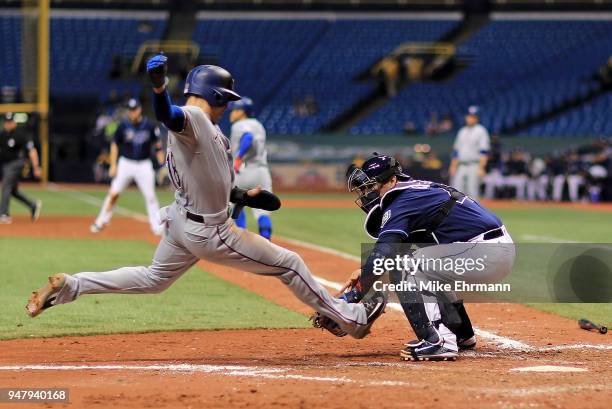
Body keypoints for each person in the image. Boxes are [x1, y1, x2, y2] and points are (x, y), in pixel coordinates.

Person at [26, 55, 386, 341]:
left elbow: (211, 177)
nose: (227, 106)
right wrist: (158, 88)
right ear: (214, 95)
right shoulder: (195, 119)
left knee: (153, 279)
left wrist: (243, 194)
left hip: (183, 222)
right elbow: (169, 115)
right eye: (225, 99)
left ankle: (73, 285)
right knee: (290, 264)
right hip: (210, 231)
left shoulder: (208, 132)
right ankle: (353, 319)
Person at [335, 154, 514, 361]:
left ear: (392, 180)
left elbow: (385, 251)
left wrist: (355, 295)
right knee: (419, 266)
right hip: (489, 249)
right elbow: (395, 251)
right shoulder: (414, 190)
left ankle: (438, 341)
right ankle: (461, 334)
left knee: (408, 266)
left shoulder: (402, 201)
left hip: (486, 252)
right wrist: (365, 272)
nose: (367, 194)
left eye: (372, 186)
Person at [90, 98, 165, 235]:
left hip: (144, 164)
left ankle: (156, 226)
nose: (132, 113)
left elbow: (158, 146)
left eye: (134, 109)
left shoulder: (149, 125)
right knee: (114, 193)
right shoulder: (123, 125)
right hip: (126, 163)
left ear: (140, 109)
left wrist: (162, 164)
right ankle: (101, 221)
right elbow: (114, 144)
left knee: (150, 196)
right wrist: (113, 165)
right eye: (130, 110)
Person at [228, 97, 274, 239]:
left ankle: (244, 239)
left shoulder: (239, 125)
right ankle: (266, 240)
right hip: (261, 171)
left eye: (235, 110)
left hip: (242, 170)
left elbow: (248, 138)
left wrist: (240, 156)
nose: (232, 113)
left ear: (242, 112)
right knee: (262, 213)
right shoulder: (259, 125)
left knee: (236, 204)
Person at [0, 112, 42, 224]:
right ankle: (32, 205)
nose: (8, 124)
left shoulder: (21, 134)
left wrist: (36, 167)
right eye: (6, 122)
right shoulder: (3, 134)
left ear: (14, 122)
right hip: (6, 165)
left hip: (18, 163)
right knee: (12, 190)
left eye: (10, 122)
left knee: (6, 184)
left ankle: (4, 214)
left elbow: (32, 151)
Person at [449, 106, 490, 199]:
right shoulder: (462, 131)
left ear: (477, 118)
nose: (470, 118)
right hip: (461, 165)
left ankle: (473, 213)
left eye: (473, 117)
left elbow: (484, 152)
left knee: (473, 193)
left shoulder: (481, 131)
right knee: (456, 191)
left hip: (474, 165)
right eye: (469, 116)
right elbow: (456, 151)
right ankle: (457, 213)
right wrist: (453, 166)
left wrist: (481, 168)